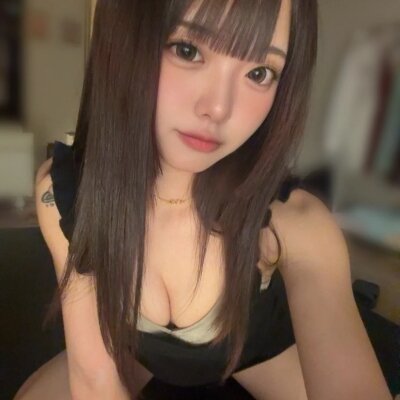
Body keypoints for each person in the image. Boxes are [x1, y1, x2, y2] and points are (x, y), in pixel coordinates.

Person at [15, 0, 392, 399]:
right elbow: (94, 378)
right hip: (137, 354)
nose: (219, 108)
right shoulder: (67, 197)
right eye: (188, 50)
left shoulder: (291, 223)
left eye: (259, 73)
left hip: (255, 354)